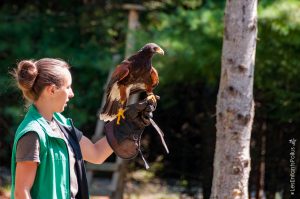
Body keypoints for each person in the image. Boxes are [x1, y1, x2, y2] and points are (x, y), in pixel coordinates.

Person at [10, 58, 156, 199]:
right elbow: (21, 192)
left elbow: (96, 154)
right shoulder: (32, 133)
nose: (72, 93)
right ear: (52, 90)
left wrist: (128, 124)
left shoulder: (63, 125)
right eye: (68, 87)